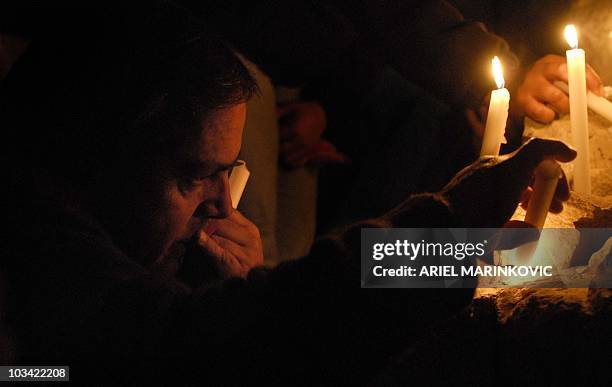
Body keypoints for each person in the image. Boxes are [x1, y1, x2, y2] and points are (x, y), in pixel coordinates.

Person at [3, 6, 577, 385]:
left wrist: (221, 291)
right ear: (98, 156)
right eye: (190, 175)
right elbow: (174, 349)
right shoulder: (33, 252)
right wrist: (448, 236)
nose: (222, 205)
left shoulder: (100, 220)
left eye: (229, 172)